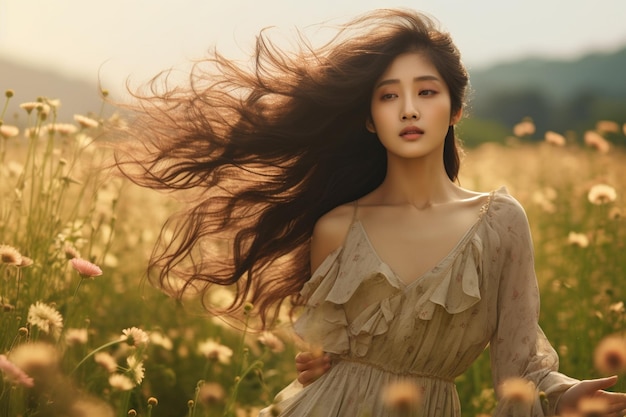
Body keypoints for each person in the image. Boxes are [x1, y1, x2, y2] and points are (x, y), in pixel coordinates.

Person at [113, 8, 626, 417]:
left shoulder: (501, 222)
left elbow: (519, 365)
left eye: (426, 92)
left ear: (455, 109)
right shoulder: (336, 229)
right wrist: (316, 359)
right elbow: (322, 360)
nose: (408, 109)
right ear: (368, 117)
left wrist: (564, 395)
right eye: (388, 96)